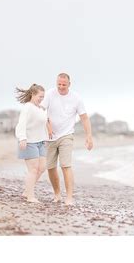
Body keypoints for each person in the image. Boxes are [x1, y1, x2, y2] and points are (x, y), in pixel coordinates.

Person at [41, 73, 93, 205]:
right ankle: (57, 194)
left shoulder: (76, 98)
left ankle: (69, 197)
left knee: (65, 165)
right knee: (51, 167)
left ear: (69, 84)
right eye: (59, 84)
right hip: (50, 137)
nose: (61, 87)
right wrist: (48, 125)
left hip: (67, 135)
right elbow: (41, 111)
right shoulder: (49, 94)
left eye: (64, 84)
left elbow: (84, 118)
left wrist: (89, 136)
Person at [15, 83, 51, 203]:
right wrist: (22, 138)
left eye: (43, 97)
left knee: (42, 168)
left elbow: (42, 126)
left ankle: (27, 191)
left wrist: (45, 138)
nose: (42, 99)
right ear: (32, 94)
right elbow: (21, 123)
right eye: (40, 96)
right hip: (29, 142)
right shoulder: (28, 107)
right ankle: (30, 197)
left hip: (40, 142)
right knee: (33, 170)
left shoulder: (40, 109)